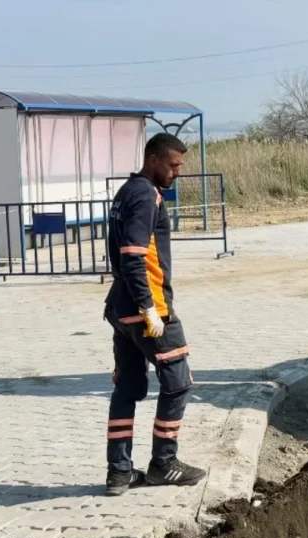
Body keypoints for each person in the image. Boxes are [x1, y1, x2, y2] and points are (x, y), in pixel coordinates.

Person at [103, 133, 206, 496]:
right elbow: (132, 255)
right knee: (178, 381)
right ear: (153, 159)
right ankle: (164, 463)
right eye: (173, 165)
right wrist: (149, 307)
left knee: (128, 387)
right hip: (147, 309)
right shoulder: (147, 194)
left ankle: (119, 472)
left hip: (119, 307)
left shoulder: (126, 191)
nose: (177, 172)